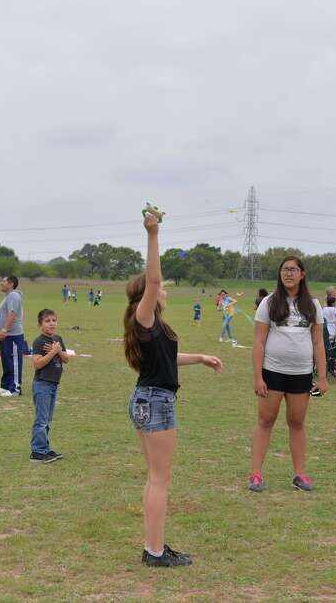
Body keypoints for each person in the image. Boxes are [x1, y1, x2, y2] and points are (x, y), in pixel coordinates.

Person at [125, 209, 222, 567]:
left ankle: (153, 546)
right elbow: (152, 281)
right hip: (156, 401)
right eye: (160, 288)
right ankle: (154, 551)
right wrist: (152, 234)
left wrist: (200, 358)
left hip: (147, 398)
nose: (162, 290)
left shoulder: (154, 327)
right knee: (160, 480)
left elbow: (167, 360)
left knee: (155, 478)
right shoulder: (144, 315)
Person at [250, 256, 326, 494]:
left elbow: (318, 343)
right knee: (265, 421)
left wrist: (322, 377)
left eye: (294, 270)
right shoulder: (269, 303)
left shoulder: (313, 305)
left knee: (296, 423)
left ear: (302, 274)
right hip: (272, 372)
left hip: (300, 374)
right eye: (285, 270)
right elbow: (259, 341)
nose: (289, 274)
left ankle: (299, 474)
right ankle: (255, 474)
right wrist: (257, 377)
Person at [30, 308, 69, 463]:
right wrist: (53, 352)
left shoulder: (58, 339)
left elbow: (66, 359)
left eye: (54, 320)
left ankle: (44, 448)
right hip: (42, 384)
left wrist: (58, 351)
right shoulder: (39, 342)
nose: (52, 323)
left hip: (53, 384)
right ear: (40, 325)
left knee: (47, 419)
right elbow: (37, 364)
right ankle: (38, 452)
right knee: (41, 419)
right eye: (47, 321)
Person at [0, 276, 25, 397]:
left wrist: (4, 330)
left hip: (13, 335)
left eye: (4, 281)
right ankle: (5, 386)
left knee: (14, 362)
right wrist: (0, 332)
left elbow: (12, 314)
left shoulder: (13, 296)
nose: (1, 283)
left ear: (11, 284)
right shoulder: (7, 296)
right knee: (6, 361)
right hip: (6, 335)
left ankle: (15, 389)